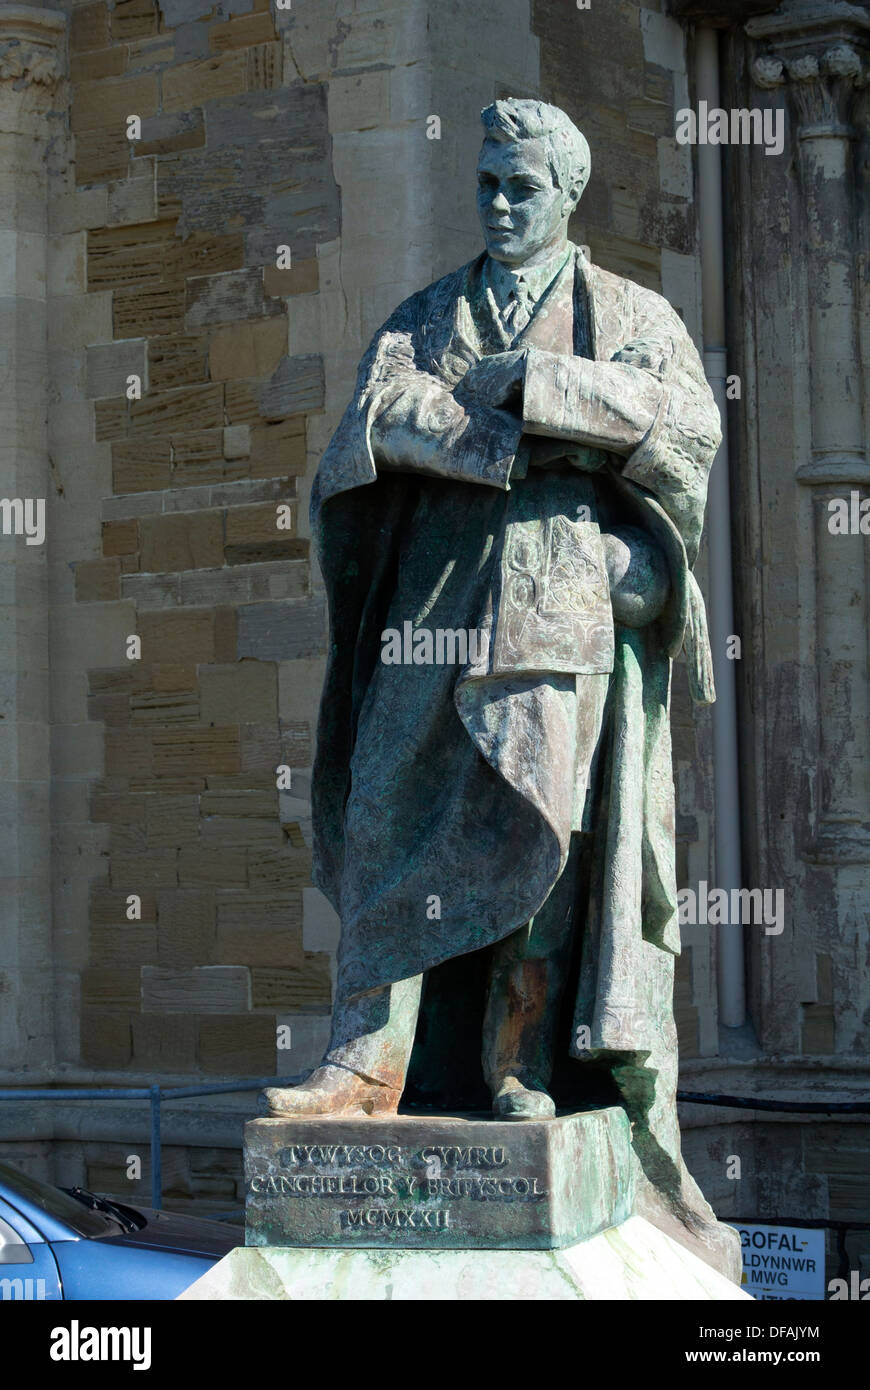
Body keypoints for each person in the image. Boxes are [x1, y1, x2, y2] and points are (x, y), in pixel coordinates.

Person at [263, 98, 737, 1277]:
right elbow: (370, 418)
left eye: (522, 185)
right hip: (428, 611)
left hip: (551, 609)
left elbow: (684, 429)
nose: (499, 203)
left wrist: (552, 393)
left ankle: (520, 1051)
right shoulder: (430, 312)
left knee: (538, 830)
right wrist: (486, 432)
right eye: (485, 181)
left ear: (567, 190)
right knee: (382, 815)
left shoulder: (628, 314)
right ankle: (362, 1059)